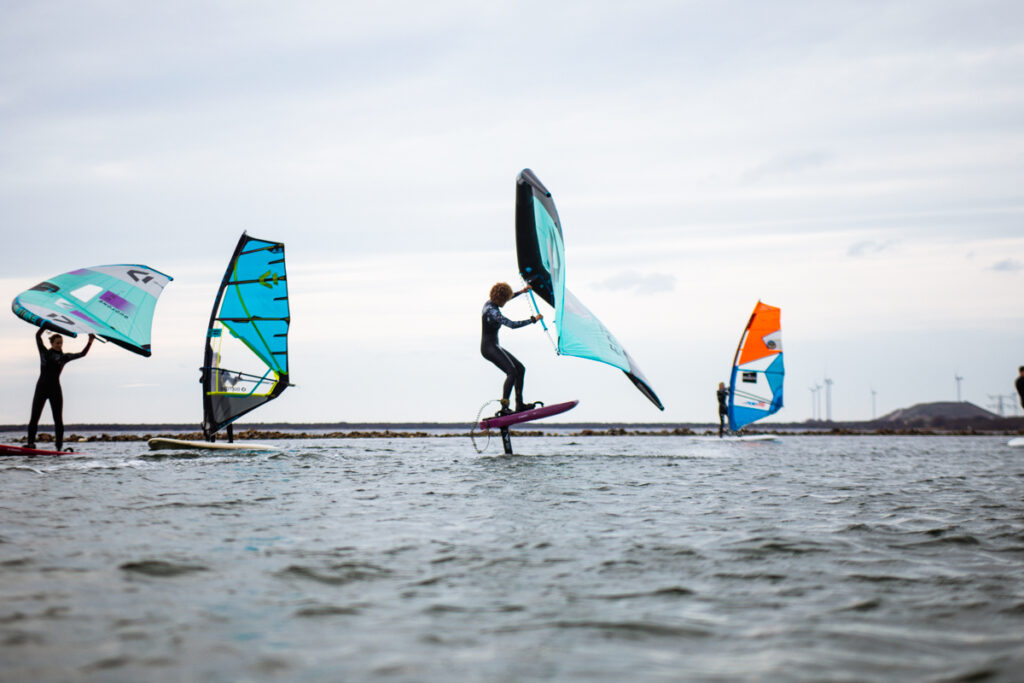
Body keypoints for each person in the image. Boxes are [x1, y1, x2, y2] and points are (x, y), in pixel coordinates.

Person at [27, 326, 94, 451]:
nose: (59, 345)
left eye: (61, 343)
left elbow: (82, 354)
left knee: (58, 419)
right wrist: (44, 325)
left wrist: (90, 341)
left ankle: (58, 447)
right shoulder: (44, 353)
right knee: (34, 417)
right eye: (57, 343)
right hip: (41, 388)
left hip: (55, 390)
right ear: (51, 343)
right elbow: (37, 336)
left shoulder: (64, 357)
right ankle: (30, 443)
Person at [481, 282, 543, 414]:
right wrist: (533, 320)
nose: (507, 301)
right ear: (501, 299)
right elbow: (512, 325)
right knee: (512, 372)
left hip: (494, 346)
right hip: (488, 348)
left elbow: (507, 296)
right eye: (506, 299)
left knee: (520, 368)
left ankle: (519, 405)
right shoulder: (493, 312)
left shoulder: (490, 303)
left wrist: (522, 291)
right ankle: (504, 407)